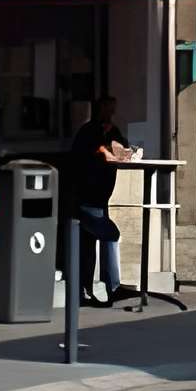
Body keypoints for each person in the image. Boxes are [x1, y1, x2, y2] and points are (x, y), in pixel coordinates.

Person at [68, 94, 138, 305]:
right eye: (108, 109)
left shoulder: (111, 131)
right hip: (87, 196)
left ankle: (90, 290)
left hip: (100, 197)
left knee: (90, 243)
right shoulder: (89, 132)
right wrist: (108, 147)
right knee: (107, 235)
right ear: (100, 109)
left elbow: (122, 149)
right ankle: (108, 287)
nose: (111, 114)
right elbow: (102, 153)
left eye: (112, 109)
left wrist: (119, 146)